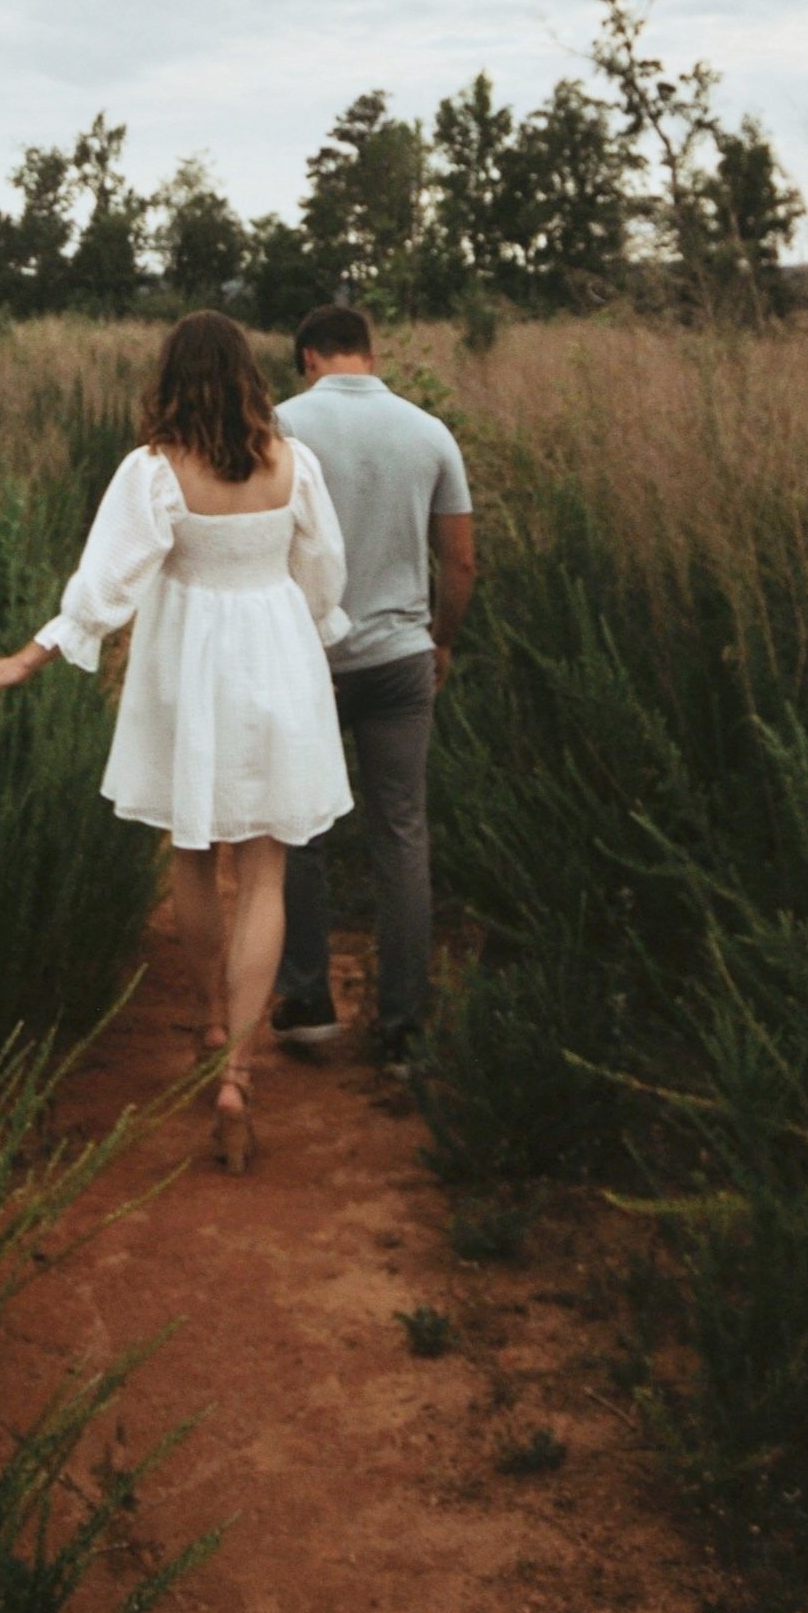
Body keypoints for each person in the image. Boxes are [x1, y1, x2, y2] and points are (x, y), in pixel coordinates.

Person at [0, 311, 353, 1171]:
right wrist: (311, 634)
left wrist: (28, 657)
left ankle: (212, 1018)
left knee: (191, 851)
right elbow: (323, 576)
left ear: (168, 379)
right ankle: (238, 1071)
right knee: (264, 867)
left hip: (189, 665)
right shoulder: (295, 464)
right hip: (277, 655)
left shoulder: (152, 471)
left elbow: (104, 587)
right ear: (252, 377)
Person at [273, 304, 476, 1074]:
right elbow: (457, 563)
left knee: (300, 828)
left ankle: (306, 1003)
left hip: (308, 660)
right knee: (401, 834)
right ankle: (402, 1029)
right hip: (399, 659)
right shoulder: (429, 432)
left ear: (308, 356)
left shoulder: (278, 425)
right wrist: (442, 640)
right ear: (368, 352)